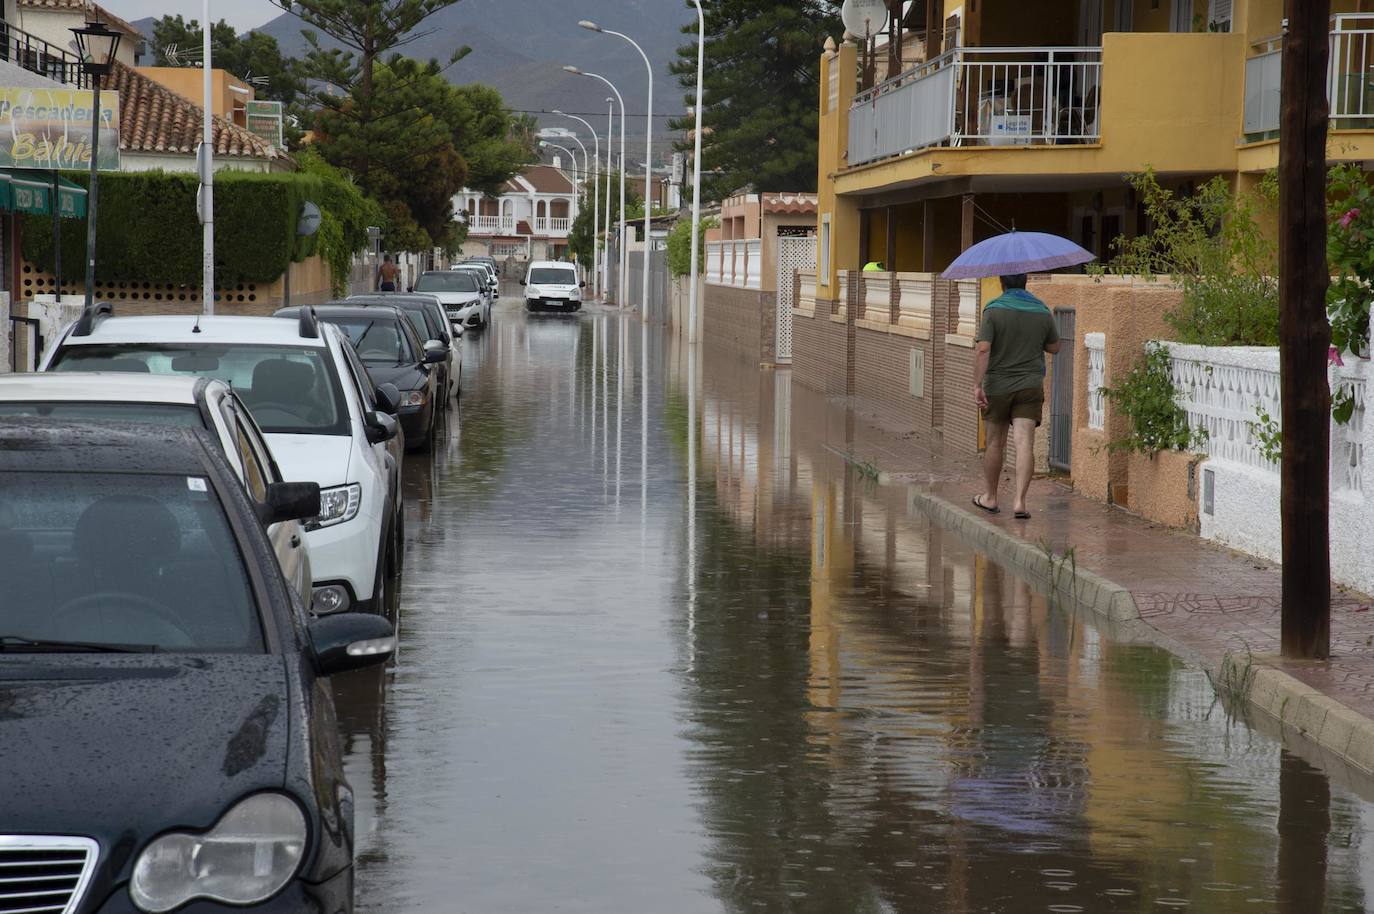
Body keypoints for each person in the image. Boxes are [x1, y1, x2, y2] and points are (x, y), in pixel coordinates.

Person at [971, 273, 1061, 520]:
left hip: (997, 386)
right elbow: (1055, 347)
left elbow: (983, 349)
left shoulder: (993, 310)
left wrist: (977, 384)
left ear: (1002, 283)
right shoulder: (1041, 310)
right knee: (1024, 443)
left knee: (994, 443)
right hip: (1030, 386)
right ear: (1025, 283)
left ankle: (990, 498)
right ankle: (1020, 502)